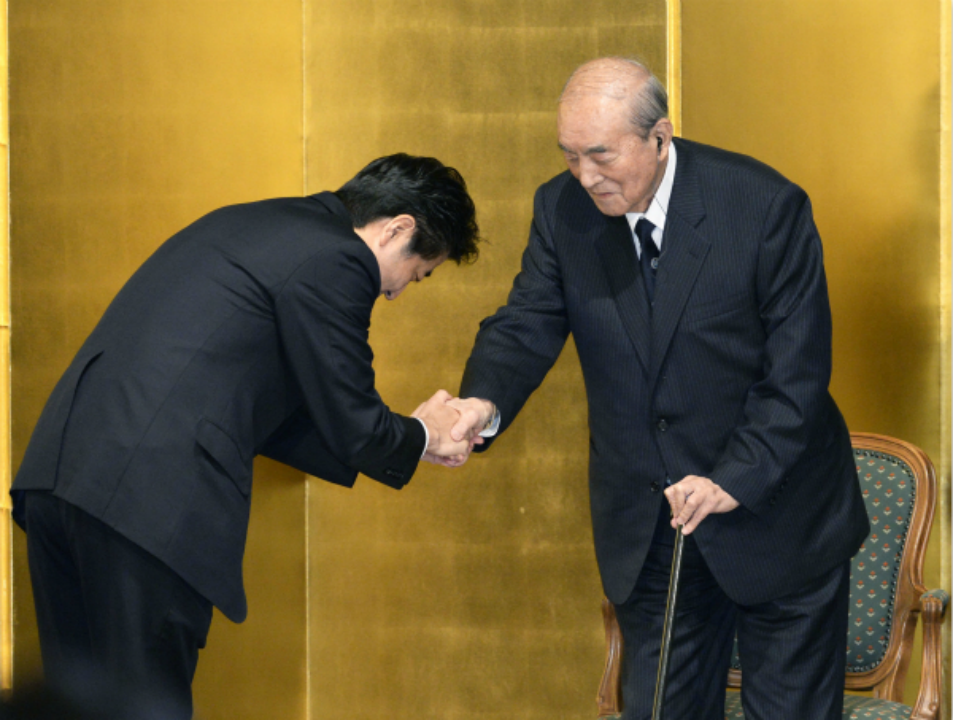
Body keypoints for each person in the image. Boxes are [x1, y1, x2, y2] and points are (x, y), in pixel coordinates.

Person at [443, 58, 870, 719]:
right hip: (652, 525)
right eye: (568, 156)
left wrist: (733, 476)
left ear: (659, 136)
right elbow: (527, 320)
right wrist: (481, 404)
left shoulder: (761, 207)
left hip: (777, 514)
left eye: (600, 155)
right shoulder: (562, 209)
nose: (584, 176)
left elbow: (797, 372)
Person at [12, 153, 481, 719]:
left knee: (78, 707)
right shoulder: (338, 257)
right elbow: (351, 416)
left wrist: (406, 435)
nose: (400, 292)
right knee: (140, 707)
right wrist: (420, 435)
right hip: (146, 503)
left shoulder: (254, 224)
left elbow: (257, 402)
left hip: (63, 479)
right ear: (397, 228)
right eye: (418, 272)